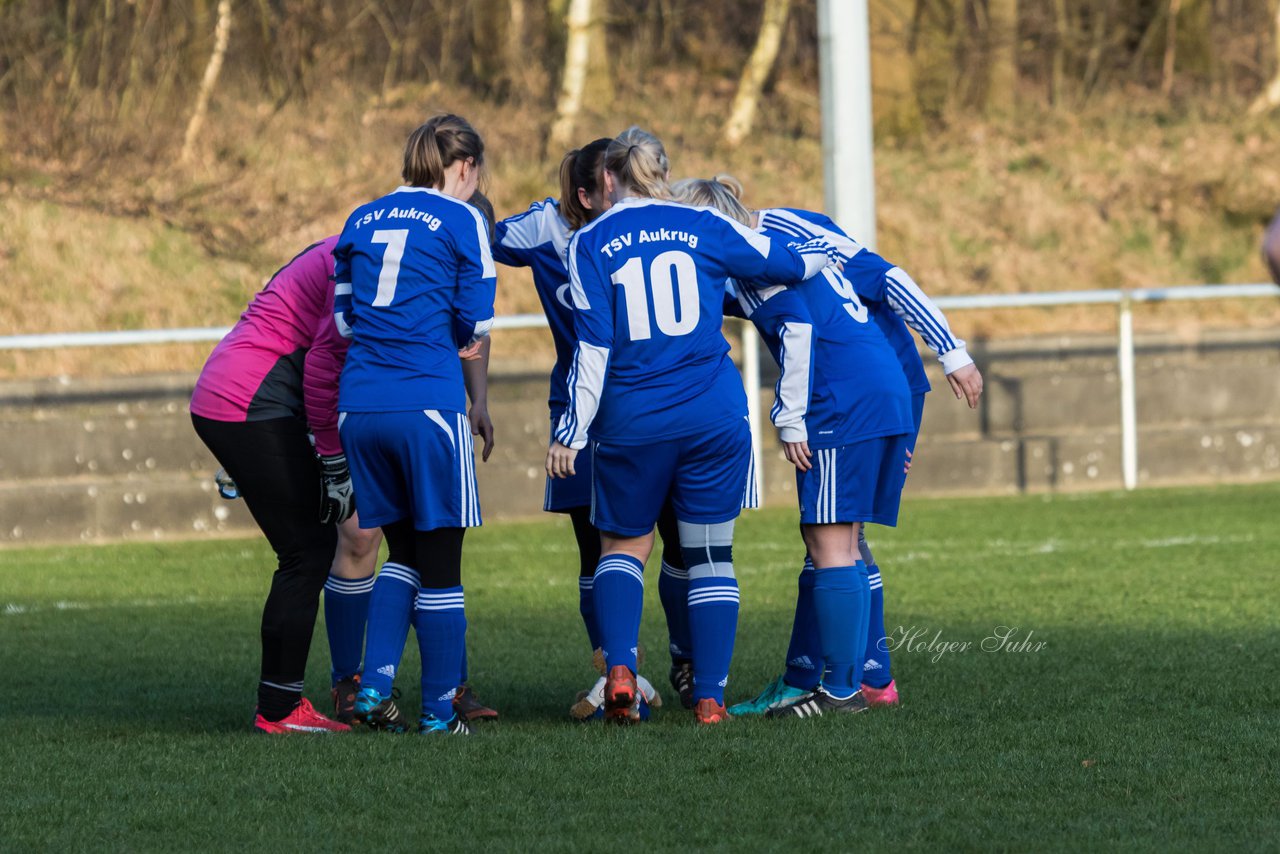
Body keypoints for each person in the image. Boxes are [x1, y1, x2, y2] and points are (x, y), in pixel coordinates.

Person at [545, 128, 838, 725]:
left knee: (624, 547)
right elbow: (782, 260)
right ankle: (709, 697)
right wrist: (828, 252)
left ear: (608, 179)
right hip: (713, 414)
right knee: (711, 555)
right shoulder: (703, 225)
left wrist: (570, 432)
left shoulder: (588, 241)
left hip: (632, 419)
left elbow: (592, 349)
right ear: (662, 171)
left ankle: (620, 668)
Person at [675, 176, 983, 717]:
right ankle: (850, 678)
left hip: (854, 390)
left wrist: (951, 350)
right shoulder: (772, 251)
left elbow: (884, 281)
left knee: (833, 540)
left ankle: (843, 685)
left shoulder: (767, 248)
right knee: (834, 536)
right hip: (869, 380)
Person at [491, 139, 688, 715]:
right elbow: (480, 234)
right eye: (612, 182)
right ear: (587, 192)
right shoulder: (553, 226)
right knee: (594, 544)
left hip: (644, 400)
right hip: (586, 405)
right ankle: (611, 668)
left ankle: (685, 661)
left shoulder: (630, 227)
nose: (623, 191)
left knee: (674, 535)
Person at [335, 114, 496, 736]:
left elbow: (346, 321)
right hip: (426, 404)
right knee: (443, 560)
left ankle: (373, 687)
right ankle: (436, 711)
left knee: (401, 551)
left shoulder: (361, 216)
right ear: (465, 168)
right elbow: (473, 323)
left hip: (360, 407)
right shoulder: (464, 220)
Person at [191, 236, 382, 734]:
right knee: (307, 551)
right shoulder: (368, 256)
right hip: (250, 403)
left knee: (311, 548)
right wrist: (332, 460)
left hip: (244, 399)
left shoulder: (359, 241)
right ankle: (279, 709)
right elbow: (323, 363)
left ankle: (283, 702)